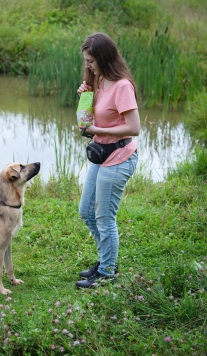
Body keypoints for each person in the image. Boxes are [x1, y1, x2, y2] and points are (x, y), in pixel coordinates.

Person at [76, 32, 140, 288]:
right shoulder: (98, 82)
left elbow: (134, 127)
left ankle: (107, 272)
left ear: (103, 57)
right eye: (86, 61)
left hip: (119, 156)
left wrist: (98, 131)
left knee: (104, 217)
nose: (88, 66)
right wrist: (84, 98)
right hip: (101, 155)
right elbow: (85, 123)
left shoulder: (122, 86)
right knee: (86, 211)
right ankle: (106, 260)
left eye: (91, 61)